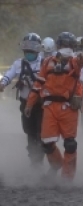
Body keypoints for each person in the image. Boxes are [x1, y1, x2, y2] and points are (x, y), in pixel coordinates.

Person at [24, 31, 83, 181]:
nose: (66, 48)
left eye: (69, 46)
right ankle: (57, 163)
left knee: (70, 144)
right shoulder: (47, 62)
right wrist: (30, 103)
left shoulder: (74, 62)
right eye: (63, 45)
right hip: (49, 106)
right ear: (58, 46)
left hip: (68, 107)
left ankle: (67, 178)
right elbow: (38, 83)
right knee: (46, 143)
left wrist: (80, 57)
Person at [0, 33, 45, 167]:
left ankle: (40, 159)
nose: (29, 50)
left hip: (41, 105)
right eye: (27, 46)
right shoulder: (18, 63)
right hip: (25, 105)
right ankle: (33, 161)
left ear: (38, 48)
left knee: (40, 133)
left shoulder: (45, 63)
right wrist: (3, 84)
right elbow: (9, 74)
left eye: (33, 47)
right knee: (29, 132)